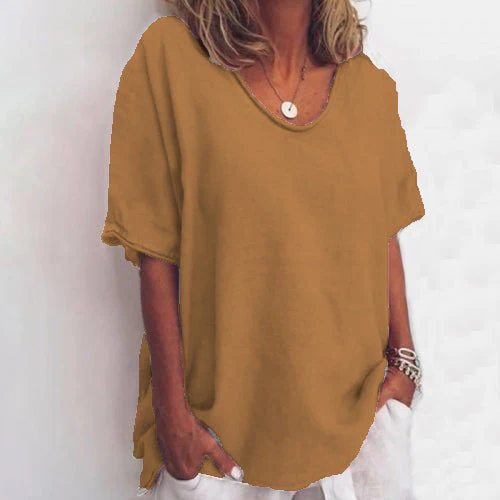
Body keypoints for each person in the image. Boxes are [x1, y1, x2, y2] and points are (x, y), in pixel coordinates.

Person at [100, 1, 426, 499]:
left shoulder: (367, 85)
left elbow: (383, 231)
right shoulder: (171, 60)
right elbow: (155, 251)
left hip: (363, 434)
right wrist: (173, 417)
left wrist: (404, 364)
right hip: (222, 443)